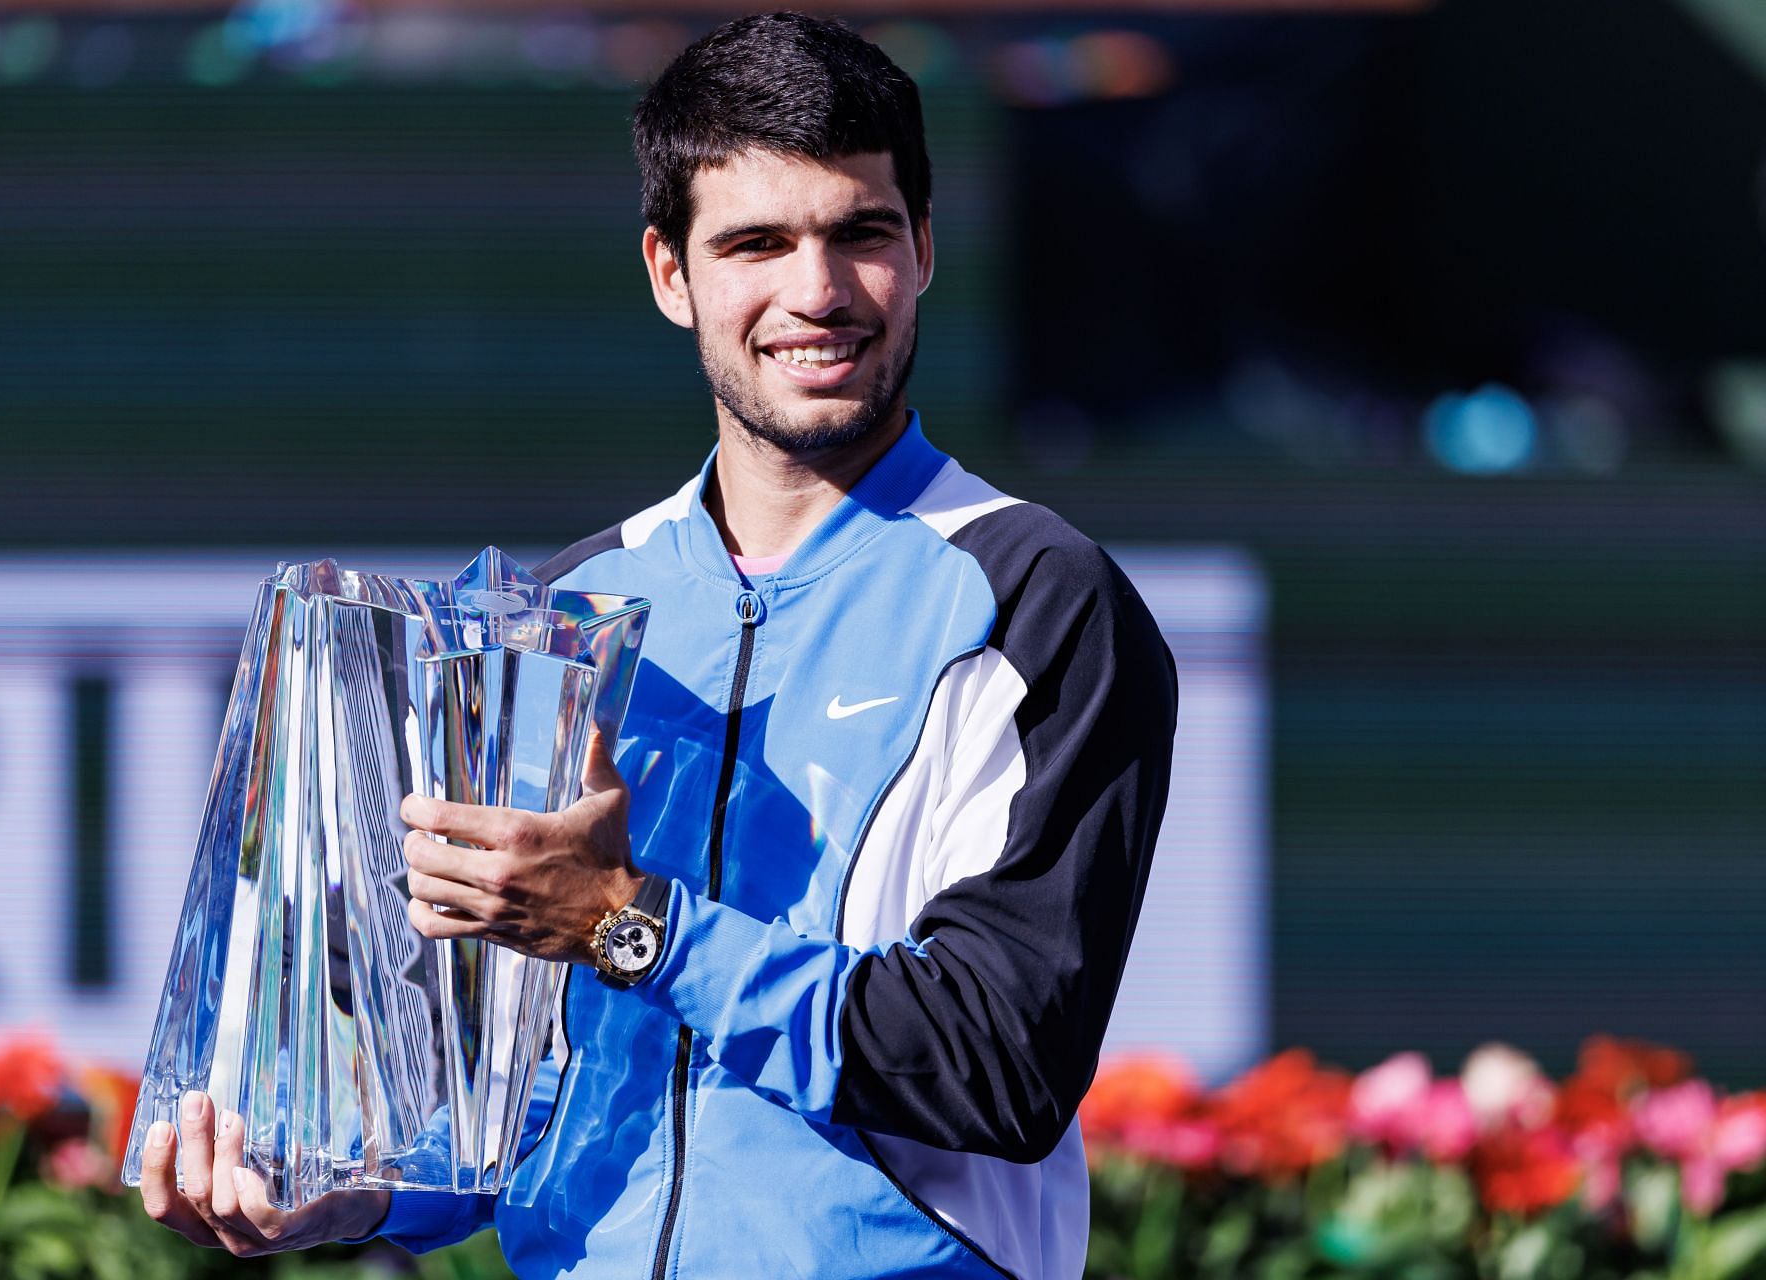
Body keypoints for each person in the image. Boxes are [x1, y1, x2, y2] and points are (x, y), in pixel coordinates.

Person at [139, 12, 1176, 1278]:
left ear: (924, 251)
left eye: (862, 232)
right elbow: (510, 1099)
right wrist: (340, 1194)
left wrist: (633, 925)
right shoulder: (566, 610)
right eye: (757, 242)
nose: (818, 291)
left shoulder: (1038, 600)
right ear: (669, 272)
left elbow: (996, 1062)